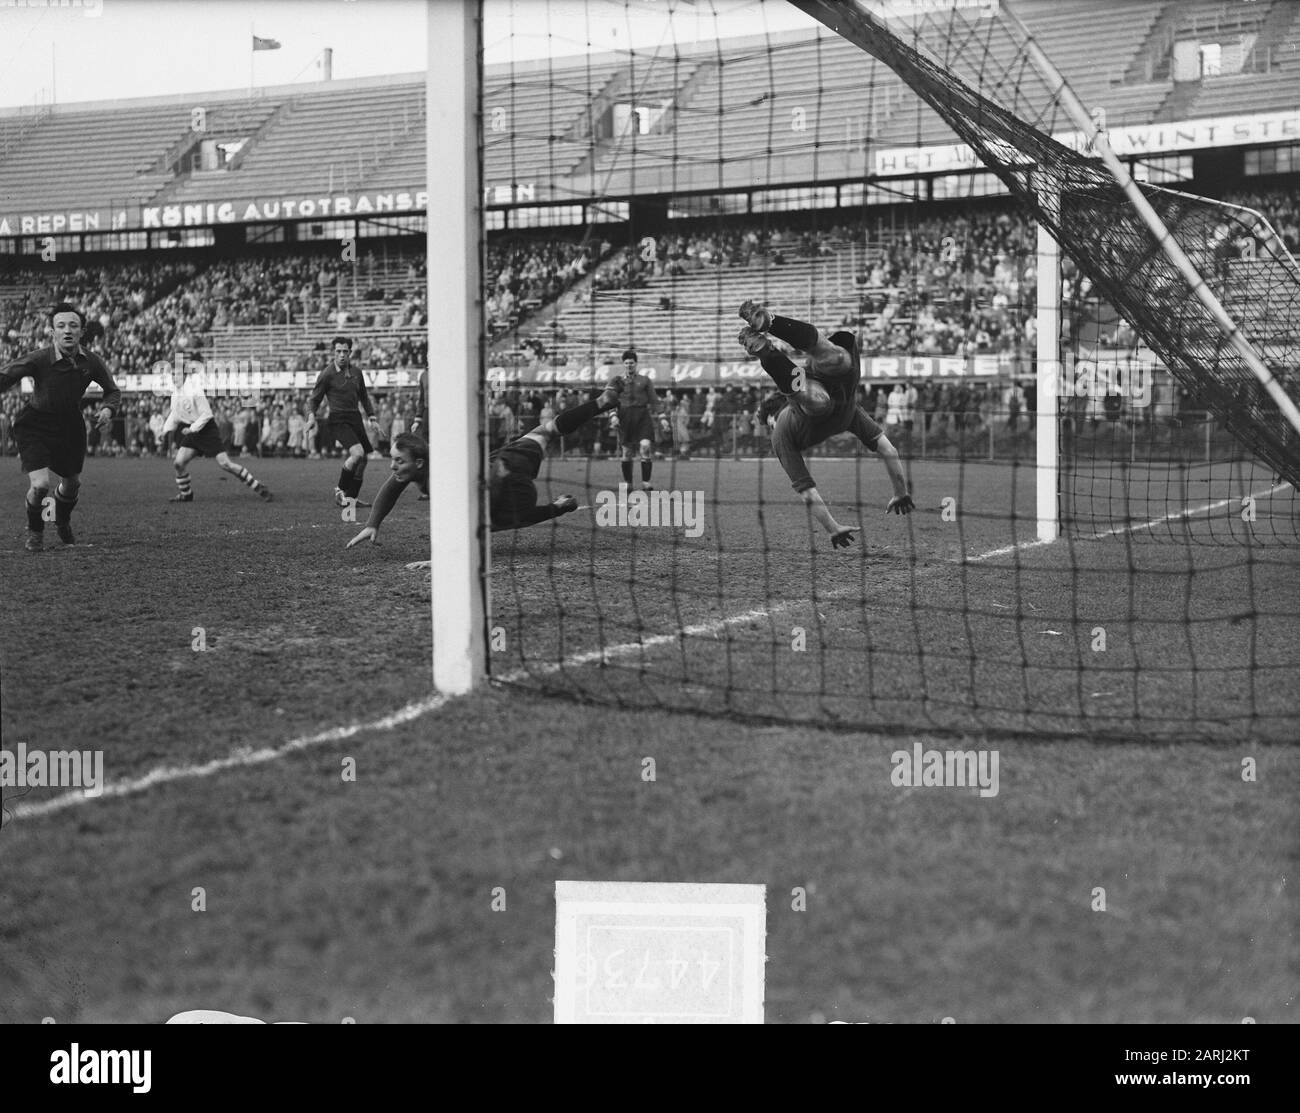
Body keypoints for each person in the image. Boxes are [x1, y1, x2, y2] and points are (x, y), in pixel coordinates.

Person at [346, 380, 625, 548]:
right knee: (546, 431)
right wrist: (373, 524)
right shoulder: (420, 465)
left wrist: (449, 560)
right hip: (497, 464)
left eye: (398, 461)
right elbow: (392, 487)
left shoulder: (445, 478)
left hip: (508, 474)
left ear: (418, 463)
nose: (393, 467)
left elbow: (471, 524)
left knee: (493, 522)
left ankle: (557, 506)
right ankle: (601, 402)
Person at [737, 301, 913, 547]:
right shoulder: (852, 414)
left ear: (772, 419)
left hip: (820, 394)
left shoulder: (781, 436)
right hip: (842, 388)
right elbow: (889, 450)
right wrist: (901, 491)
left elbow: (807, 492)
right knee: (833, 357)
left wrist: (833, 528)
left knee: (815, 399)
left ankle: (767, 351)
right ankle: (771, 322)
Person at [0, 303, 120, 550]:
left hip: (70, 426)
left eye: (73, 325)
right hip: (35, 424)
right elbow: (6, 376)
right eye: (61, 326)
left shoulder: (92, 362)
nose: (67, 330)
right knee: (40, 485)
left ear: (82, 331)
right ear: (52, 331)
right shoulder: (40, 358)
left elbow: (112, 391)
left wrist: (108, 409)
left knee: (72, 483)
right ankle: (36, 532)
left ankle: (61, 519)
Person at [163, 358, 272, 503]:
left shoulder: (195, 390)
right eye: (172, 375)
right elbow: (174, 414)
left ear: (184, 375)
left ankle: (258, 486)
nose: (174, 377)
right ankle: (186, 494)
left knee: (226, 464)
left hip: (206, 430)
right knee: (178, 463)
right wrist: (165, 430)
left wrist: (192, 428)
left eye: (176, 374)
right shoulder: (175, 394)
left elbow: (207, 414)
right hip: (192, 431)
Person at [305, 336, 380, 507]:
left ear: (350, 353)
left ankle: (351, 501)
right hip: (338, 419)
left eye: (345, 351)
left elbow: (364, 397)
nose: (341, 355)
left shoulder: (357, 373)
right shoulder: (326, 374)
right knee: (358, 454)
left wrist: (372, 417)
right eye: (338, 351)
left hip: (355, 418)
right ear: (333, 352)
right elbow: (314, 400)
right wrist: (311, 417)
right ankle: (340, 490)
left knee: (363, 460)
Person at [615, 349, 662, 492]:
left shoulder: (645, 380)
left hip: (642, 416)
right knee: (627, 452)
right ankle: (628, 483)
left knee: (645, 447)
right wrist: (613, 416)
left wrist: (662, 417)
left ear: (636, 364)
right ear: (623, 364)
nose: (629, 365)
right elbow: (611, 401)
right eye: (627, 363)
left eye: (632, 363)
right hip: (625, 418)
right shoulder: (617, 381)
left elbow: (654, 400)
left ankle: (646, 482)